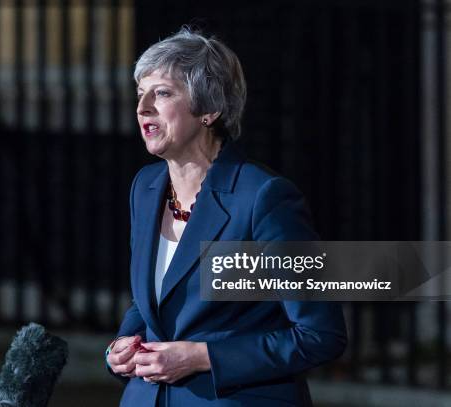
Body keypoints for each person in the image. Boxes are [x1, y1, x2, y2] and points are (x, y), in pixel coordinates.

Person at [105, 26, 347, 407]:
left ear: (208, 109)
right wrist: (121, 346)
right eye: (140, 94)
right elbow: (153, 300)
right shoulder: (145, 187)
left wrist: (201, 357)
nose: (142, 107)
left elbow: (319, 335)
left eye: (163, 93)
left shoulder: (264, 198)